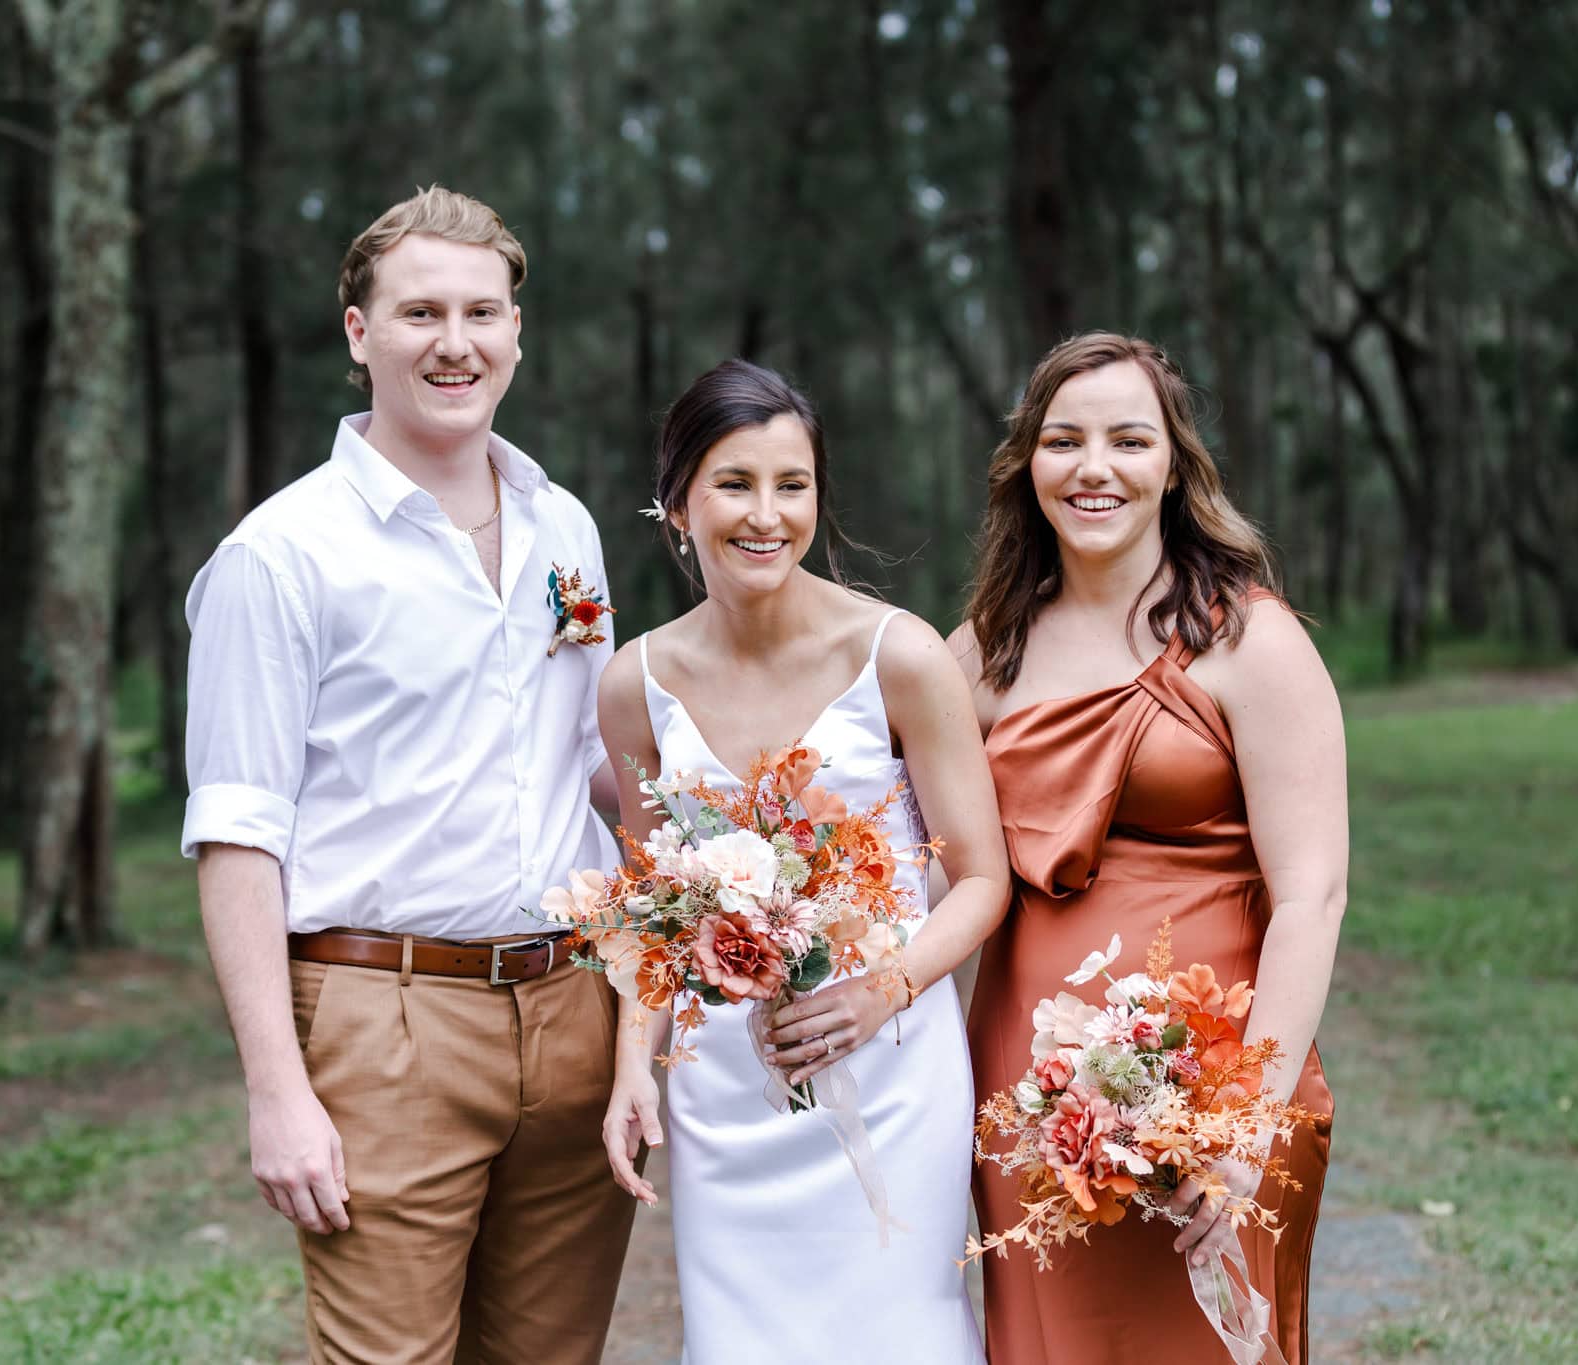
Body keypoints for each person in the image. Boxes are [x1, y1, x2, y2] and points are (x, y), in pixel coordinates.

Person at [181, 186, 633, 1364]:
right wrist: (277, 1092)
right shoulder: (278, 559)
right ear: (356, 333)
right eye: (420, 311)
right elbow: (238, 835)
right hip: (384, 1022)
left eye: (483, 312)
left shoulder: (565, 530)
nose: (455, 342)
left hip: (572, 1006)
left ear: (517, 334)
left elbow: (588, 757)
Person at [594, 359, 1009, 1363]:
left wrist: (884, 989)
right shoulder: (632, 684)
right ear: (678, 502)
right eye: (734, 483)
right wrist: (629, 1071)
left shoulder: (898, 658)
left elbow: (985, 878)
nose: (765, 515)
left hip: (889, 1062)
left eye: (792, 485)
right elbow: (649, 912)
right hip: (726, 1083)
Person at [952, 332, 1345, 1364]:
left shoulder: (1246, 639)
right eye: (1063, 440)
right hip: (1024, 1084)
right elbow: (866, 789)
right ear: (1024, 464)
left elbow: (1312, 896)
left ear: (1172, 462)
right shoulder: (985, 648)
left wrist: (1247, 1128)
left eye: (1127, 440)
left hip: (1209, 1085)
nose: (1093, 468)